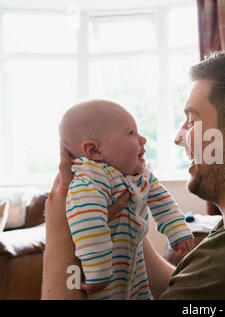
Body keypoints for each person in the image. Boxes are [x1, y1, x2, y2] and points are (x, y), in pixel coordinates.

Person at [43, 48, 225, 300]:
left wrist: (58, 232)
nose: (178, 137)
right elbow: (183, 284)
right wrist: (128, 210)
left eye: (191, 120)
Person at [57, 100, 194, 299]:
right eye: (131, 133)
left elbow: (162, 200)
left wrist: (178, 231)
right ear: (94, 150)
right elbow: (88, 225)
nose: (143, 139)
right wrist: (98, 272)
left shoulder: (140, 176)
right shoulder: (89, 182)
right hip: (106, 281)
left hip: (135, 273)